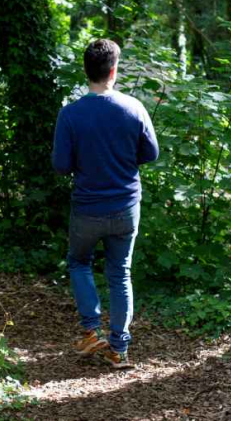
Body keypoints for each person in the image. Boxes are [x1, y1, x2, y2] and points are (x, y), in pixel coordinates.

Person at [51, 39, 160, 370]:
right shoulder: (134, 108)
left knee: (79, 262)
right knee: (120, 272)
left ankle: (90, 330)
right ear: (114, 71)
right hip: (126, 206)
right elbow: (151, 153)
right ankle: (119, 349)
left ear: (86, 71)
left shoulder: (70, 114)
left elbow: (61, 165)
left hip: (87, 207)